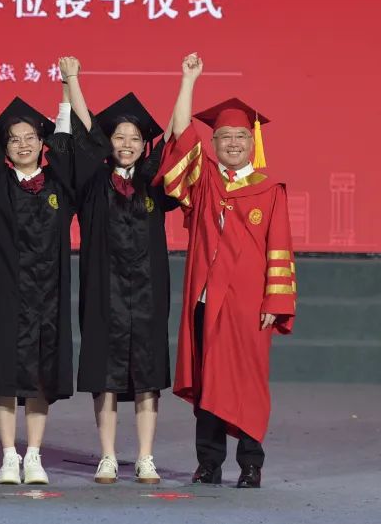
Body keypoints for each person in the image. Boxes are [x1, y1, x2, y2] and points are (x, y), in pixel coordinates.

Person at [155, 53, 297, 488]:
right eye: (224, 137)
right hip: (206, 300)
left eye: (241, 136)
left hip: (250, 305)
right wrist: (188, 81)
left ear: (253, 142)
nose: (233, 143)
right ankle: (209, 463)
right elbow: (182, 135)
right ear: (214, 143)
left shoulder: (270, 190)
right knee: (208, 381)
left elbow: (280, 250)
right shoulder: (206, 182)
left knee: (249, 382)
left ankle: (251, 463)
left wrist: (275, 301)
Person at [0, 57, 91, 486]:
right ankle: (8, 456)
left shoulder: (59, 186)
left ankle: (33, 455)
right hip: (3, 297)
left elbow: (73, 142)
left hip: (46, 297)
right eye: (13, 139)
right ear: (5, 147)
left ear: (41, 141)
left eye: (30, 137)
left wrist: (68, 88)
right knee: (4, 377)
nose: (22, 145)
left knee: (39, 377)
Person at [73, 91, 177, 485]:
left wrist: (187, 82)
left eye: (135, 138)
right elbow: (86, 131)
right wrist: (72, 82)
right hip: (104, 295)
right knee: (105, 377)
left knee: (148, 376)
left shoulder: (153, 182)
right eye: (119, 137)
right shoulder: (92, 183)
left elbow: (175, 135)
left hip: (148, 294)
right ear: (108, 142)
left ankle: (146, 457)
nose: (127, 144)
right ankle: (108, 456)